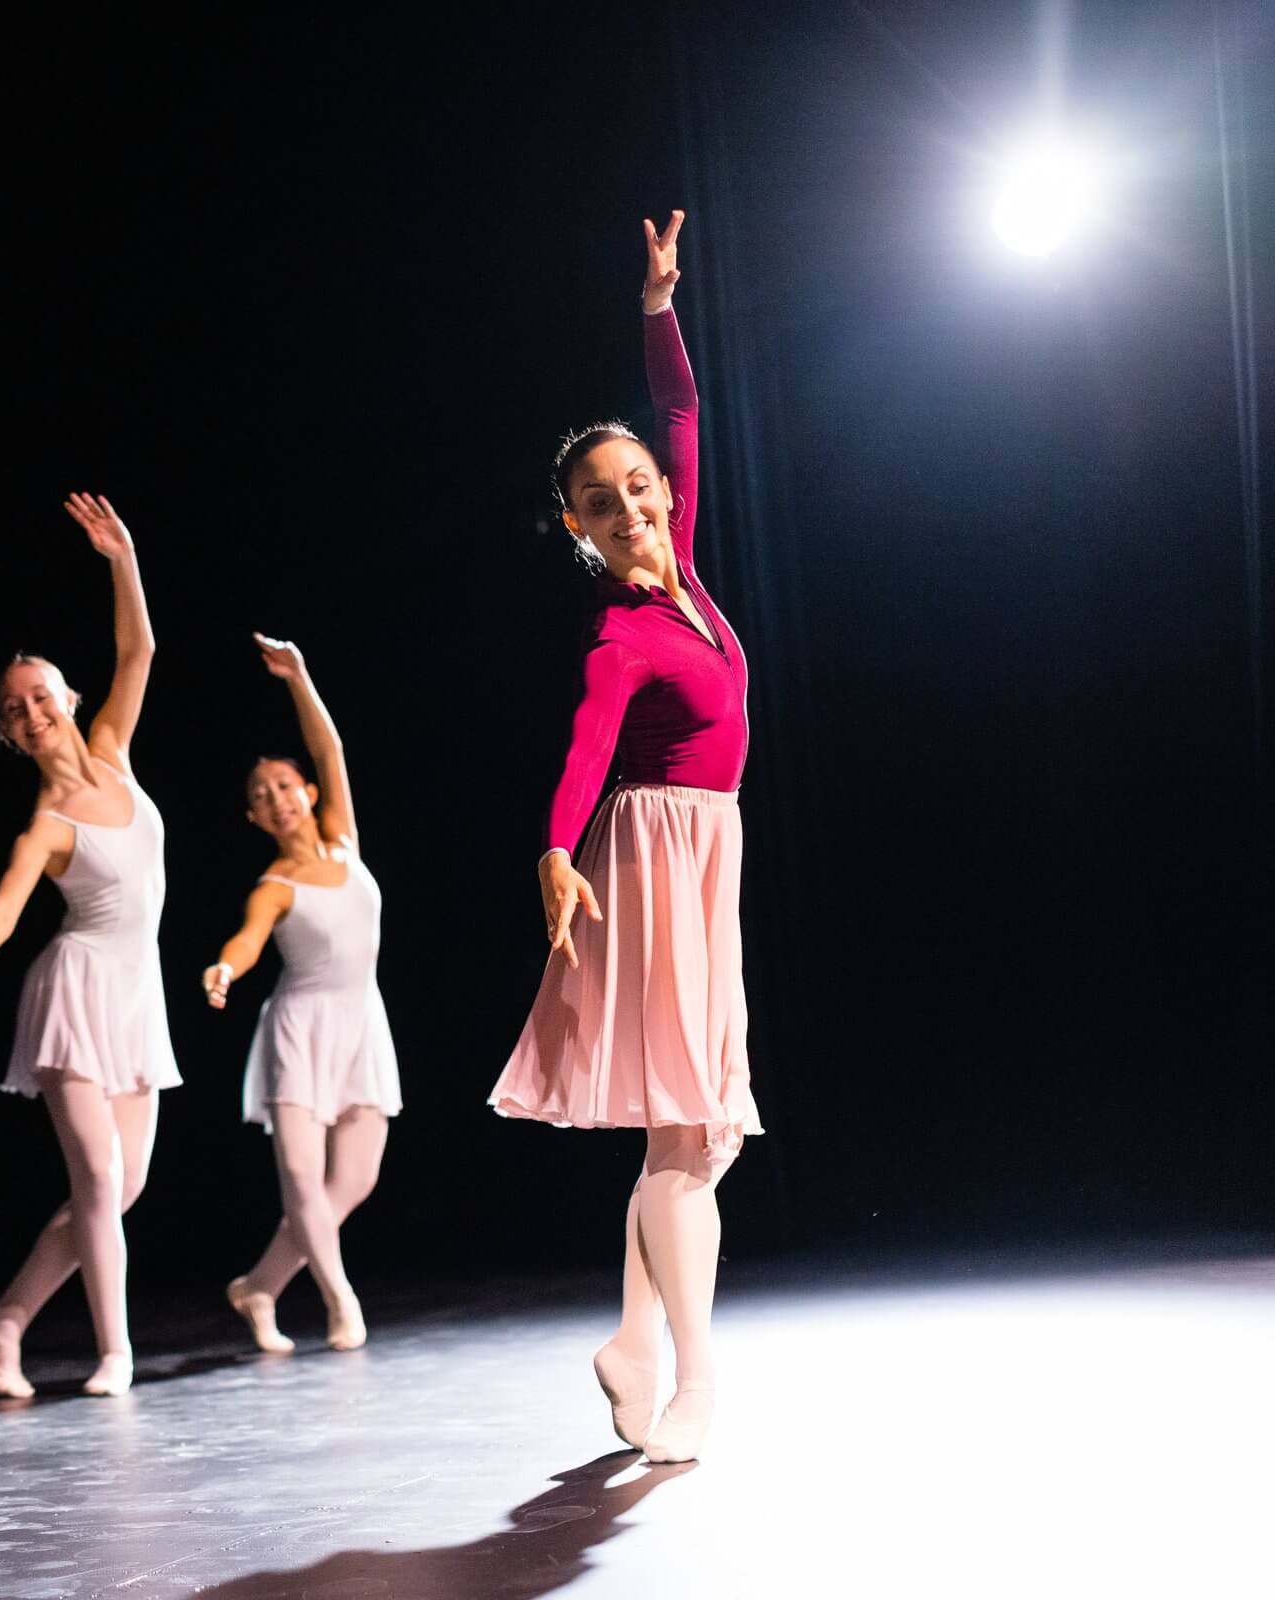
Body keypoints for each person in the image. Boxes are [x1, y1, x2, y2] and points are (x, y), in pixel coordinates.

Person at [490, 210, 762, 1464]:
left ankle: (636, 1343)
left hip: (708, 854)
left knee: (687, 1127)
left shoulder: (689, 573)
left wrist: (657, 305)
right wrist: (556, 848)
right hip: (649, 862)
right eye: (602, 502)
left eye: (639, 485)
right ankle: (691, 1377)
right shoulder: (619, 633)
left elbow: (685, 412)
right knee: (694, 1126)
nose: (632, 504)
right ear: (579, 529)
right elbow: (587, 748)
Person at [0, 494, 173, 1400]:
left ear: (68, 699)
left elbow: (137, 650)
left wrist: (121, 558)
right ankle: (114, 1351)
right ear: (11, 730)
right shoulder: (47, 822)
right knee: (96, 1177)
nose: (31, 711)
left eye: (40, 695)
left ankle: (7, 1318)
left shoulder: (114, 751)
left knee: (119, 1189)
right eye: (14, 708)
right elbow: (5, 907)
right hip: (74, 993)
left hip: (137, 993)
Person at [203, 633, 399, 1356]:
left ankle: (257, 1287)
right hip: (298, 1028)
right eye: (261, 798)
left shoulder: (346, 842)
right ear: (254, 820)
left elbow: (332, 750)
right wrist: (225, 968)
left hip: (361, 1024)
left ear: (308, 794)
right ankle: (339, 1299)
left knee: (353, 1179)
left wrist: (300, 678)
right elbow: (248, 939)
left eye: (284, 787)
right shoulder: (273, 885)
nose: (275, 799)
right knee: (300, 1177)